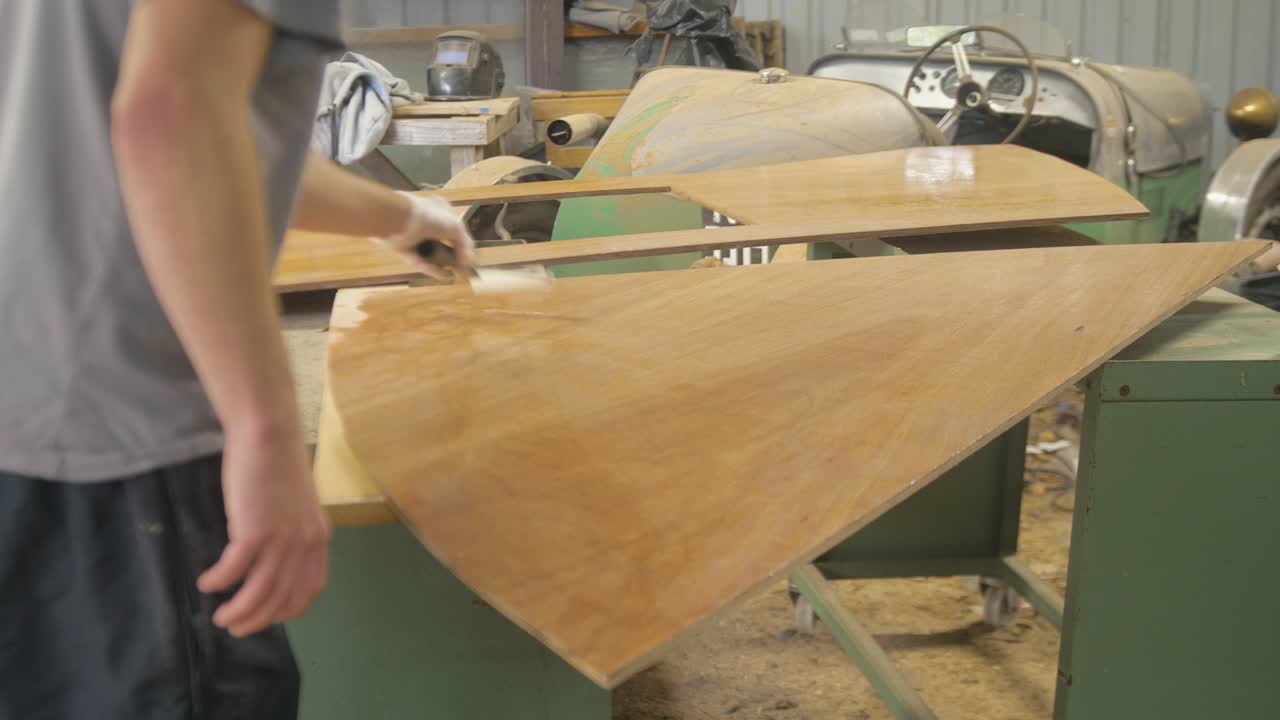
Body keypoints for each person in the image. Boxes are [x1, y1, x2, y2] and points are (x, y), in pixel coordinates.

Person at [0, 1, 473, 717]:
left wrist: (402, 218)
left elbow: (220, 140)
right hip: (116, 435)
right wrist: (268, 432)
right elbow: (171, 118)